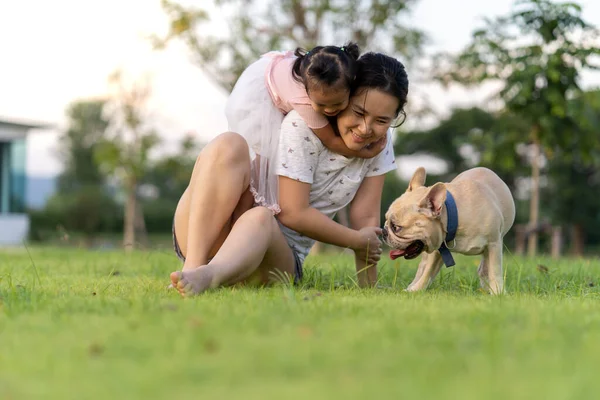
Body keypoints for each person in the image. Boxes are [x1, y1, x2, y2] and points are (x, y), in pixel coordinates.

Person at [170, 52, 409, 296]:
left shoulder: (379, 143)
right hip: (209, 232)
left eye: (381, 120)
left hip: (271, 254)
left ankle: (208, 276)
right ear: (344, 96)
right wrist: (355, 240)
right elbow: (293, 212)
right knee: (228, 144)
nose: (366, 128)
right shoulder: (302, 125)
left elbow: (366, 220)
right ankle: (192, 269)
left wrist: (368, 286)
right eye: (358, 112)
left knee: (261, 217)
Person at [225, 43, 386, 215]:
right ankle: (240, 215)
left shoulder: (318, 71)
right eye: (321, 105)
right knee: (257, 171)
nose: (330, 110)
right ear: (308, 92)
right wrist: (365, 153)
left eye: (338, 103)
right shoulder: (303, 101)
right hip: (257, 101)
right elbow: (331, 141)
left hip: (273, 71)